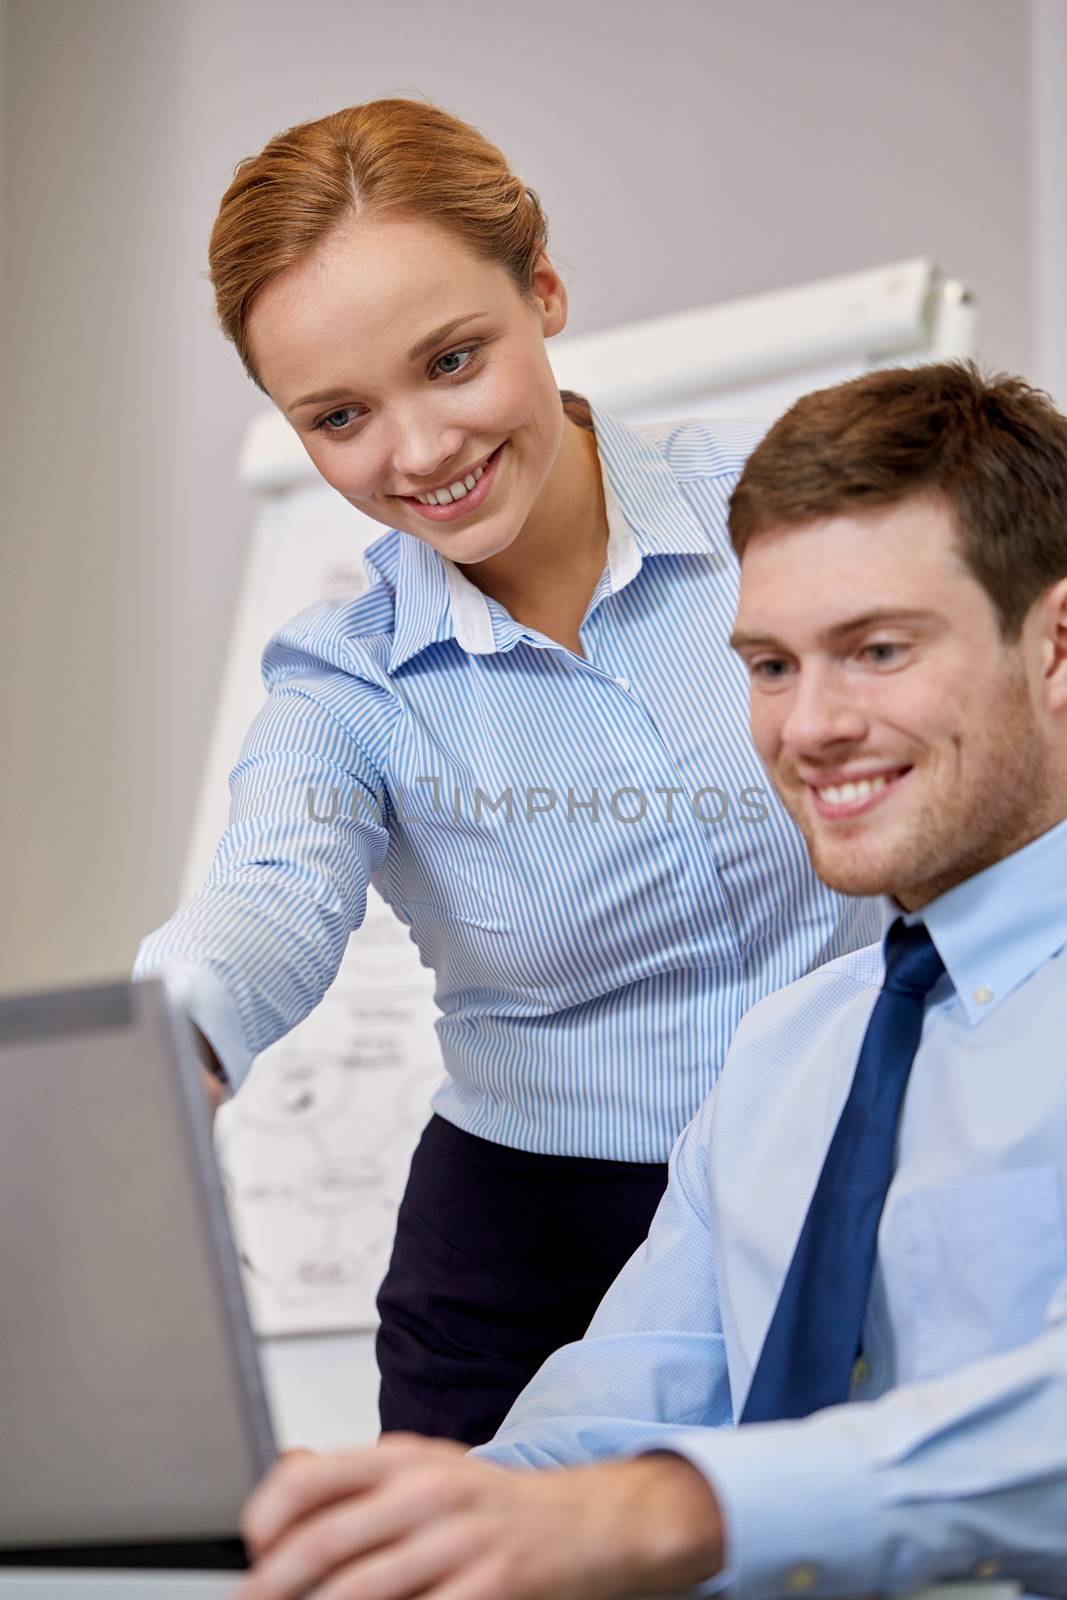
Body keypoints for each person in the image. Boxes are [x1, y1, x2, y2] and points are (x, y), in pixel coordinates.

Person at [232, 360, 1067, 1600]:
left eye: (875, 649)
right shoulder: (792, 1053)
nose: (809, 725)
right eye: (770, 666)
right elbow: (623, 1401)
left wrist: (676, 1509)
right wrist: (421, 1522)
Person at [132, 96, 877, 1443]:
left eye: (453, 359)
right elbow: (265, 897)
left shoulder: (792, 512)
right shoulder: (347, 677)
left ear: (542, 286)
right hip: (529, 1263)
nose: (417, 451)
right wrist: (160, 1047)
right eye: (340, 415)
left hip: (854, 1177)